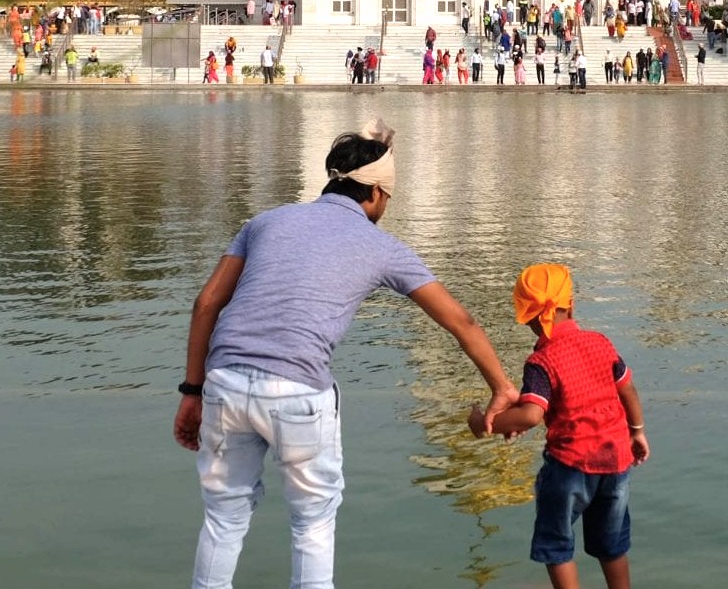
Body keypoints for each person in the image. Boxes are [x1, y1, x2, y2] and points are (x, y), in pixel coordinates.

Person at [174, 120, 519, 589]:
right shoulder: (382, 246)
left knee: (223, 519)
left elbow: (206, 303)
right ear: (376, 192)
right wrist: (501, 386)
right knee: (312, 526)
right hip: (297, 390)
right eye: (388, 199)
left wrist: (192, 392)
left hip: (225, 382)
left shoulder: (265, 222)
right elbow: (461, 322)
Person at [468, 264, 647, 589]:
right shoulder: (601, 343)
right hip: (616, 461)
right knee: (612, 545)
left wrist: (486, 423)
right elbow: (627, 390)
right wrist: (636, 431)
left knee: (557, 545)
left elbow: (532, 414)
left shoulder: (541, 362)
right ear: (572, 304)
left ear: (528, 317)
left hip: (571, 467)